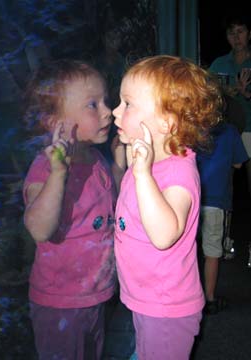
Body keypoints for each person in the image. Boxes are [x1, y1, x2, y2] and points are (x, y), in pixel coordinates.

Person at [112, 55, 223, 360]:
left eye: (127, 104)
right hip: (146, 299)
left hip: (167, 308)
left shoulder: (178, 172)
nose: (115, 111)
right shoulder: (149, 161)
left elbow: (164, 234)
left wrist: (142, 174)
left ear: (166, 121)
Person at [22, 59, 125, 360]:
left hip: (95, 295)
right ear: (57, 123)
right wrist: (58, 174)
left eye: (105, 100)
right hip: (60, 304)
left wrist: (119, 165)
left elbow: (113, 205)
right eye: (93, 105)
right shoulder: (46, 168)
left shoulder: (96, 159)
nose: (108, 110)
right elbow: (40, 229)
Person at [197, 120, 249, 315]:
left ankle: (188, 295)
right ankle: (209, 298)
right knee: (212, 252)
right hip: (216, 199)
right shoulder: (229, 130)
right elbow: (238, 162)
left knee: (189, 249)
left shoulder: (192, 126)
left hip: (190, 196)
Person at [209, 13, 251, 218]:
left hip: (250, 129)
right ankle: (223, 241)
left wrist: (247, 94)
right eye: (231, 33)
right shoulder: (218, 64)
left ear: (249, 34)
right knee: (224, 186)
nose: (236, 37)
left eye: (240, 31)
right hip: (226, 131)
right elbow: (206, 94)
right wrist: (223, 93)